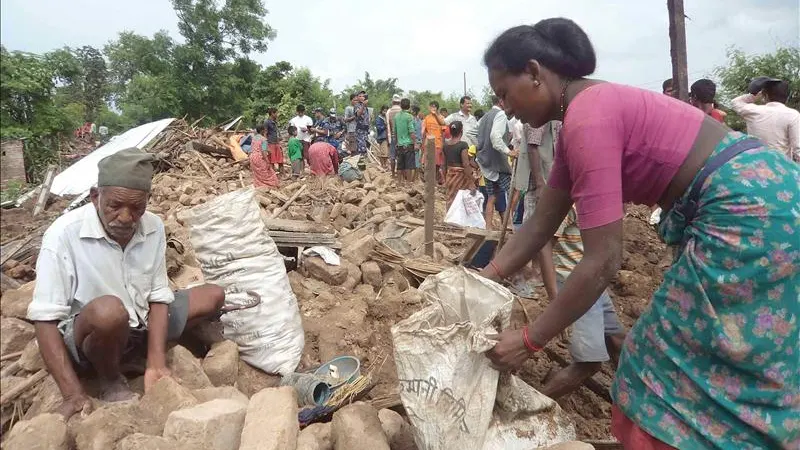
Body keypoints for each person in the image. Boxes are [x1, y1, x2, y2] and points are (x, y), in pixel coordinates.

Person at [480, 19, 798, 449]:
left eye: (503, 92)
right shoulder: (587, 109)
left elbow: (603, 261)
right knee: (737, 363)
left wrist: (530, 340)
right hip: (770, 199)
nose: (504, 107)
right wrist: (481, 277)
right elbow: (540, 224)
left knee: (657, 373)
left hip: (747, 214)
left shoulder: (587, 120)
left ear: (535, 73)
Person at [26, 148, 227, 419]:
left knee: (213, 295)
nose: (125, 217)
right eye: (115, 206)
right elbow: (45, 319)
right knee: (110, 312)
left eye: (137, 208)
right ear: (95, 197)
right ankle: (110, 378)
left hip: (139, 323)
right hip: (93, 332)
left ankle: (140, 356)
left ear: (147, 201)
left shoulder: (153, 227)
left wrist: (156, 364)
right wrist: (72, 394)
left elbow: (158, 296)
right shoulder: (63, 235)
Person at [540, 205, 626, 400]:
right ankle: (529, 406)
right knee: (589, 364)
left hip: (594, 283)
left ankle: (630, 404)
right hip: (573, 283)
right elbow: (545, 245)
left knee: (619, 342)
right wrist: (556, 303)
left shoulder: (612, 199)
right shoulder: (573, 203)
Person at [732, 77, 800, 162]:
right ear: (787, 96)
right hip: (780, 167)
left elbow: (735, 102)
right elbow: (798, 149)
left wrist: (754, 96)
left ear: (765, 95)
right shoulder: (793, 115)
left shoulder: (753, 111)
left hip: (755, 165)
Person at [475, 95, 518, 230]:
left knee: (492, 196)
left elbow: (474, 132)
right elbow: (495, 137)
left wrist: (482, 148)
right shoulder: (500, 114)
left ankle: (488, 227)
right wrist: (508, 151)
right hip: (497, 163)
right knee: (513, 191)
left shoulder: (485, 116)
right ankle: (509, 224)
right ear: (501, 102)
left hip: (486, 163)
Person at [443, 121, 476, 207]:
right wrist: (472, 180)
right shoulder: (463, 145)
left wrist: (445, 178)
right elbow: (466, 164)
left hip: (450, 176)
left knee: (450, 199)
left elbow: (443, 165)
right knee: (460, 202)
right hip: (460, 178)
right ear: (461, 131)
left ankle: (449, 218)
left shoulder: (445, 145)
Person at [422, 101, 447, 183]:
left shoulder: (441, 118)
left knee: (437, 164)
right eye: (431, 106)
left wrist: (443, 145)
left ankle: (435, 180)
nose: (433, 108)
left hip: (438, 143)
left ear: (437, 108)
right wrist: (423, 144)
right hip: (428, 144)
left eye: (434, 106)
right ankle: (428, 180)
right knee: (428, 163)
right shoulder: (427, 118)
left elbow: (443, 132)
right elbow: (424, 132)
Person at [393, 98, 417, 183]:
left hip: (400, 145)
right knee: (409, 166)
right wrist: (416, 143)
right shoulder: (409, 117)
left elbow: (395, 132)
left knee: (400, 166)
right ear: (409, 106)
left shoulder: (396, 116)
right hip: (408, 144)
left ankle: (399, 183)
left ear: (400, 106)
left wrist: (396, 143)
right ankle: (408, 183)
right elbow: (411, 131)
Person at [248, 124, 279, 188]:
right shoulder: (263, 139)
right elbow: (264, 151)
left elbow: (251, 149)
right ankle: (270, 185)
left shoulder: (254, 138)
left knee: (258, 173)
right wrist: (267, 162)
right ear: (262, 131)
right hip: (259, 157)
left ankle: (259, 185)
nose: (266, 131)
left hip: (252, 157)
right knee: (268, 171)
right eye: (265, 130)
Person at [386, 94, 403, 176]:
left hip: (392, 136)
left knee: (392, 156)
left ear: (392, 102)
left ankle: (393, 174)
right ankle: (400, 175)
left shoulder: (389, 112)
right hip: (401, 137)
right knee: (400, 156)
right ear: (399, 102)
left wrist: (388, 138)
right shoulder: (402, 111)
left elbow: (388, 125)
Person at [264, 107, 284, 174]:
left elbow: (276, 131)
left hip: (276, 142)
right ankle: (272, 174)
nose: (277, 115)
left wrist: (279, 137)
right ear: (272, 113)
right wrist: (265, 145)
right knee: (271, 160)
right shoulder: (267, 122)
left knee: (280, 158)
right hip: (270, 143)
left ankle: (282, 173)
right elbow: (265, 133)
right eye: (276, 113)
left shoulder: (275, 122)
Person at [354, 91, 370, 155]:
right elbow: (358, 114)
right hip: (360, 129)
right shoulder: (357, 105)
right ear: (357, 97)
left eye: (363, 96)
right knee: (361, 148)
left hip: (365, 130)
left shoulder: (366, 107)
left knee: (366, 147)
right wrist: (363, 105)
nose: (361, 97)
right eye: (360, 96)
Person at [412, 105, 424, 175]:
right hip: (417, 142)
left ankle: (415, 177)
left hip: (416, 142)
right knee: (416, 160)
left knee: (416, 160)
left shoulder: (415, 121)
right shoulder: (419, 121)